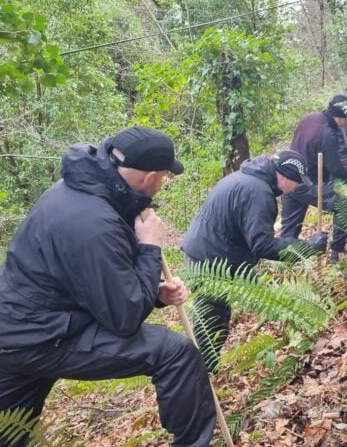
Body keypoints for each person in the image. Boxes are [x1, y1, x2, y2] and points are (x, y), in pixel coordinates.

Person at [0, 126, 216, 447]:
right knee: (175, 353)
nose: (164, 183)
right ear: (149, 177)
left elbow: (93, 280)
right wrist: (150, 248)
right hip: (45, 337)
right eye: (165, 177)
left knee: (9, 432)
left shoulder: (78, 190)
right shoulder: (94, 221)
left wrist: (154, 294)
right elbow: (124, 318)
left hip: (15, 330)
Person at [181, 150, 327, 372]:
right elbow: (262, 245)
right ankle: (201, 375)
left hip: (206, 254)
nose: (296, 188)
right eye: (296, 182)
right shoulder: (259, 193)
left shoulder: (245, 177)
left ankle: (204, 371)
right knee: (212, 322)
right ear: (285, 177)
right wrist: (305, 248)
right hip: (210, 262)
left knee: (214, 318)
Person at [280, 94, 347, 264]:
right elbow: (335, 167)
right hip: (307, 182)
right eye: (346, 119)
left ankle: (285, 263)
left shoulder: (310, 118)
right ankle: (337, 252)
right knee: (344, 206)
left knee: (289, 231)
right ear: (339, 117)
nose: (346, 124)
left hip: (286, 178)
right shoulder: (327, 134)